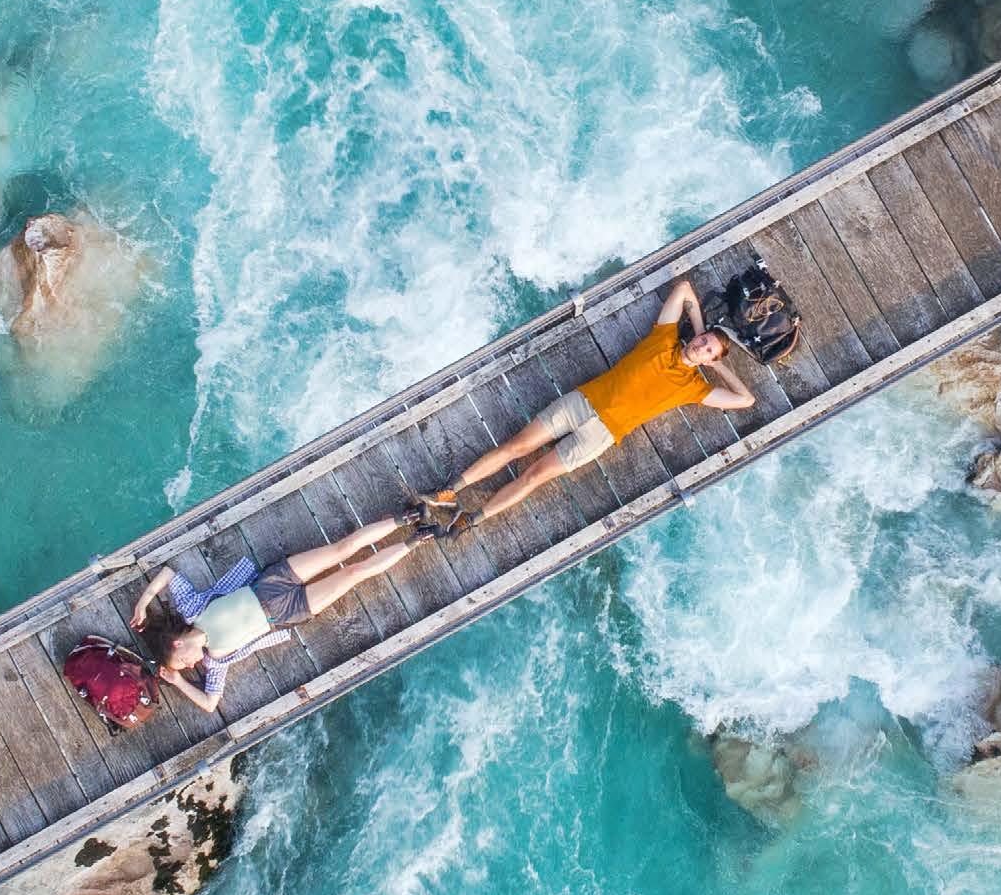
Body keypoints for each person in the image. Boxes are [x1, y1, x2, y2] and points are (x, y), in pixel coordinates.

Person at [423, 279, 757, 532]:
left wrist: (719, 367)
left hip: (602, 434)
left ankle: (472, 519)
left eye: (709, 351)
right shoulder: (664, 338)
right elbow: (684, 288)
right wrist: (703, 328)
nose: (702, 347)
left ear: (709, 361)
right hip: (582, 402)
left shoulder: (695, 388)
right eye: (704, 341)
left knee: (533, 477)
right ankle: (449, 491)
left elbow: (746, 400)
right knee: (516, 446)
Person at [128, 516, 421, 714]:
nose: (191, 666)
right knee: (354, 573)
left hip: (269, 583)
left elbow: (168, 574)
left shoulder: (192, 610)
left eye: (183, 663)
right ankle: (418, 539)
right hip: (287, 612)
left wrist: (143, 603)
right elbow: (209, 703)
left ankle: (408, 517)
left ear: (178, 643)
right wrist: (178, 681)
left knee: (341, 549)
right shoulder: (215, 659)